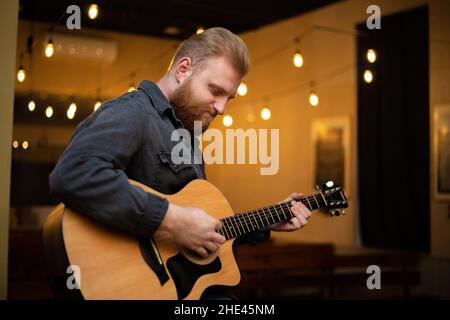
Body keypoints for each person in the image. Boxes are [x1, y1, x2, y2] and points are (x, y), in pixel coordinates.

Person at [49, 27, 311, 299]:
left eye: (228, 98)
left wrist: (267, 222)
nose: (222, 108)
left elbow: (203, 233)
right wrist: (173, 219)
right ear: (183, 69)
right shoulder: (133, 113)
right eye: (215, 90)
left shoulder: (189, 137)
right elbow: (73, 173)